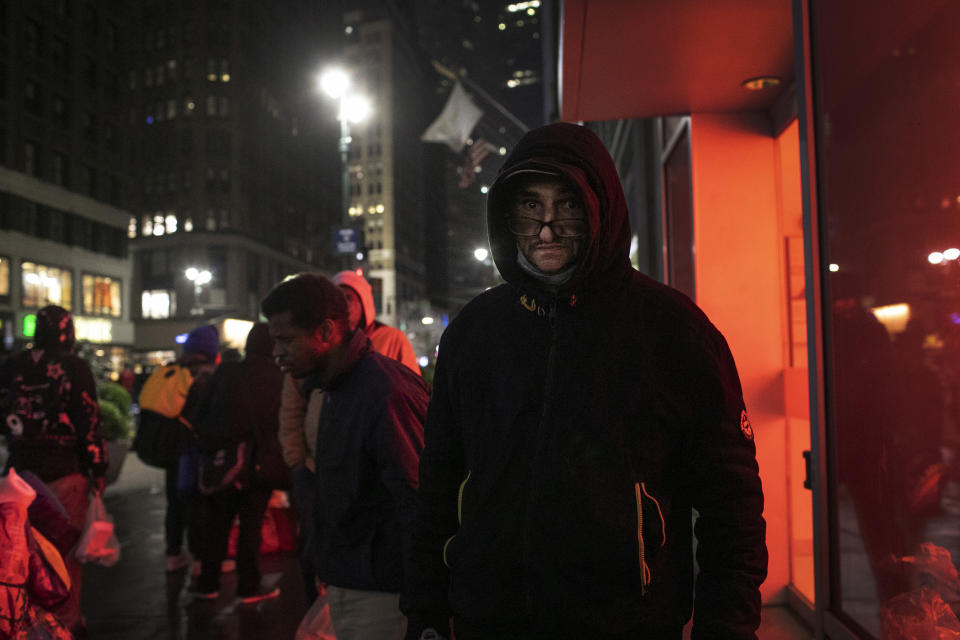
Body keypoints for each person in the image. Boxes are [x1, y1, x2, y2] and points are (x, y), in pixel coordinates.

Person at [401, 123, 768, 640]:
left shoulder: (672, 329)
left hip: (627, 625)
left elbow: (731, 502)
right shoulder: (474, 332)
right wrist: (425, 612)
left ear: (601, 208)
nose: (547, 228)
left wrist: (727, 627)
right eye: (530, 206)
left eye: (567, 204)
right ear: (507, 216)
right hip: (489, 621)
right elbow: (438, 485)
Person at [262, 273, 429, 640]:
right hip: (351, 580)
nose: (277, 354)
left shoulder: (382, 392)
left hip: (384, 595)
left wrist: (427, 604)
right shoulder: (334, 389)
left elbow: (421, 500)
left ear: (324, 331)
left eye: (286, 340)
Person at [0, 305, 107, 637]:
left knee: (23, 555)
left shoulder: (11, 365)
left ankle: (27, 622)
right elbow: (88, 423)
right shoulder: (74, 367)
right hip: (64, 472)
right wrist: (98, 468)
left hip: (19, 476)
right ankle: (65, 623)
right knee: (62, 555)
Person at [189, 323, 288, 603]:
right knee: (250, 527)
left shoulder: (227, 372)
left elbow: (201, 414)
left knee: (217, 525)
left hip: (223, 463)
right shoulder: (278, 376)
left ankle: (208, 583)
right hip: (258, 466)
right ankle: (249, 586)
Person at [150, 324, 220, 572]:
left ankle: (173, 553)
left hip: (172, 449)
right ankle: (200, 559)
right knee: (198, 504)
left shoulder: (171, 372)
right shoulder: (206, 377)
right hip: (195, 451)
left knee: (174, 503)